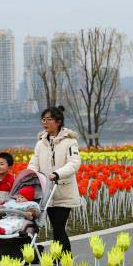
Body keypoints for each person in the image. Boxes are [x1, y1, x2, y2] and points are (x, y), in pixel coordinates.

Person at [27, 105, 82, 255]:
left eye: (48, 119)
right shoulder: (40, 143)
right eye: (43, 119)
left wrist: (57, 173)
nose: (45, 122)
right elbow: (34, 162)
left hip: (63, 191)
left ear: (58, 121)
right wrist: (29, 175)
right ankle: (67, 259)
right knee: (58, 228)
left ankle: (56, 260)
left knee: (58, 227)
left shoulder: (70, 142)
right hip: (48, 193)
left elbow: (74, 163)